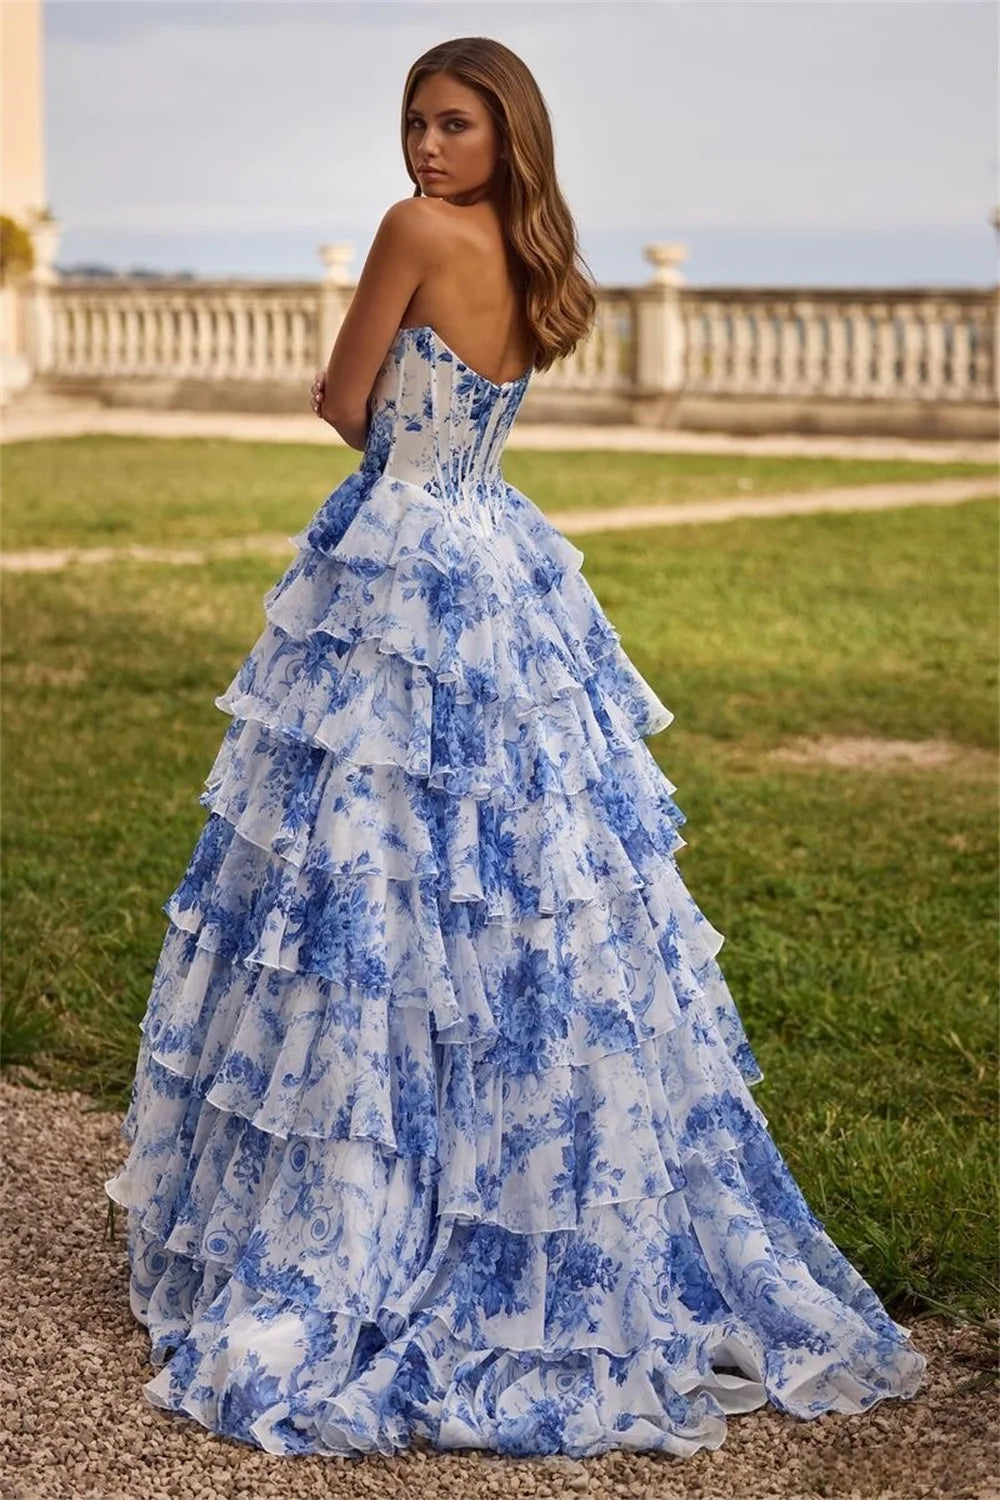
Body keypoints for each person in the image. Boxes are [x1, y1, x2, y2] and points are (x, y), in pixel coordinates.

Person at [105, 35, 927, 1461]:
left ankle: (371, 1189)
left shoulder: (413, 234)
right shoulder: (537, 254)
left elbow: (343, 403)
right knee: (518, 869)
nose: (425, 151)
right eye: (415, 125)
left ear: (504, 134)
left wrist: (385, 460)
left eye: (453, 125)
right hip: (501, 553)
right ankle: (508, 1172)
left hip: (406, 550)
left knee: (364, 861)